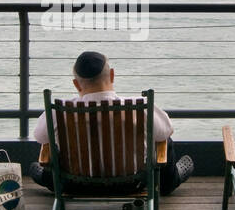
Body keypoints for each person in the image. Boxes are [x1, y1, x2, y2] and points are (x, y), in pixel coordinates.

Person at [28, 50, 193, 195]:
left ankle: (45, 177)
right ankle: (169, 182)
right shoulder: (140, 107)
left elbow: (40, 138)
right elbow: (167, 131)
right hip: (131, 184)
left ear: (76, 84)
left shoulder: (58, 111)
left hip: (75, 184)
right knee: (164, 140)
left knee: (50, 154)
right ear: (112, 75)